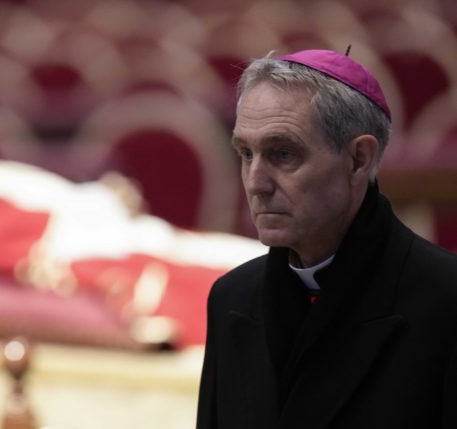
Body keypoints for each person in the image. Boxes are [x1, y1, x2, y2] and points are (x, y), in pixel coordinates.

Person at [196, 49, 457, 428]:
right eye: (246, 153)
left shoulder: (447, 301)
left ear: (358, 160)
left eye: (283, 154)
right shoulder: (232, 297)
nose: (256, 183)